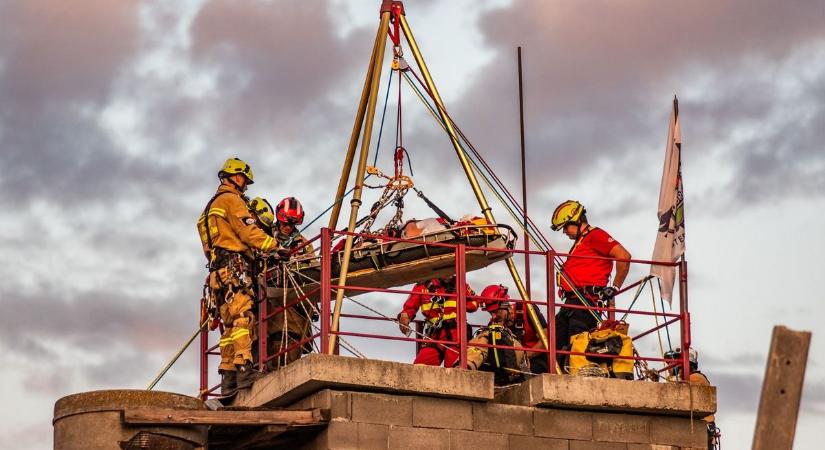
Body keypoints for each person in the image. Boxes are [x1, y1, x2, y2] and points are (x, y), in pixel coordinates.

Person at [197, 157, 280, 396]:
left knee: (229, 326)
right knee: (243, 318)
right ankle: (245, 371)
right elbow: (248, 231)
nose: (246, 186)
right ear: (236, 176)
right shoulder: (232, 201)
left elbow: (207, 242)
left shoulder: (208, 210)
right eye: (245, 180)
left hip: (217, 273)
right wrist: (273, 246)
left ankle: (228, 379)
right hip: (236, 267)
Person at [550, 200, 631, 372]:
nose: (565, 232)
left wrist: (615, 287)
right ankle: (562, 373)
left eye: (566, 227)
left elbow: (623, 256)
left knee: (577, 341)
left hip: (585, 302)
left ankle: (577, 374)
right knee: (555, 342)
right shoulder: (581, 241)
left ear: (577, 221)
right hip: (572, 302)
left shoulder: (595, 235)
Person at [266, 197, 317, 368]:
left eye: (292, 223)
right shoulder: (264, 235)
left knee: (290, 341)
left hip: (295, 305)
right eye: (284, 222)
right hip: (269, 302)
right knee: (267, 343)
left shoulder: (303, 244)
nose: (288, 227)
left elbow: (313, 271)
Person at [397, 276, 478, 367]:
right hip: (434, 334)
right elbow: (409, 308)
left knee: (455, 369)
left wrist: (462, 302)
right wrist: (404, 317)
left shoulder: (460, 284)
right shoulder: (422, 286)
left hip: (456, 333)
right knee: (420, 366)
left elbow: (474, 303)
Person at [462, 284, 527, 385]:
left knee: (485, 339)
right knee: (485, 339)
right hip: (505, 374)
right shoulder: (494, 327)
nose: (493, 316)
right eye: (491, 313)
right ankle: (463, 366)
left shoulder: (526, 311)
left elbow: (547, 339)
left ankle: (463, 367)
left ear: (506, 306)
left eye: (496, 311)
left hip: (529, 366)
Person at [665, 348, 720, 450]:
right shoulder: (687, 379)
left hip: (701, 430)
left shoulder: (696, 378)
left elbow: (678, 394)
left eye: (671, 363)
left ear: (683, 363)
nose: (668, 367)